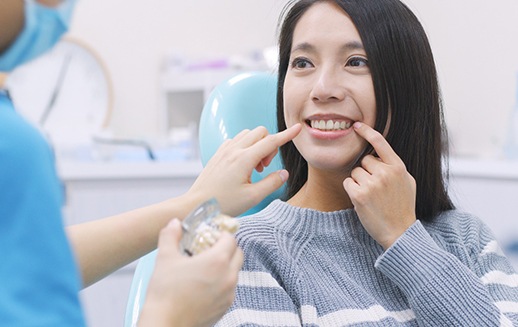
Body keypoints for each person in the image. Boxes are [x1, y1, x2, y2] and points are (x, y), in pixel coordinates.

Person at [214, 0, 518, 326]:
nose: (323, 89)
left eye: (356, 61)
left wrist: (405, 239)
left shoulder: (466, 238)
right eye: (302, 63)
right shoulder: (247, 253)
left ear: (407, 88)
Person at [0, 0, 302, 326]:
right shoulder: (14, 147)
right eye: (302, 63)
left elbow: (33, 260)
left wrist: (196, 204)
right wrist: (170, 316)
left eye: (355, 62)